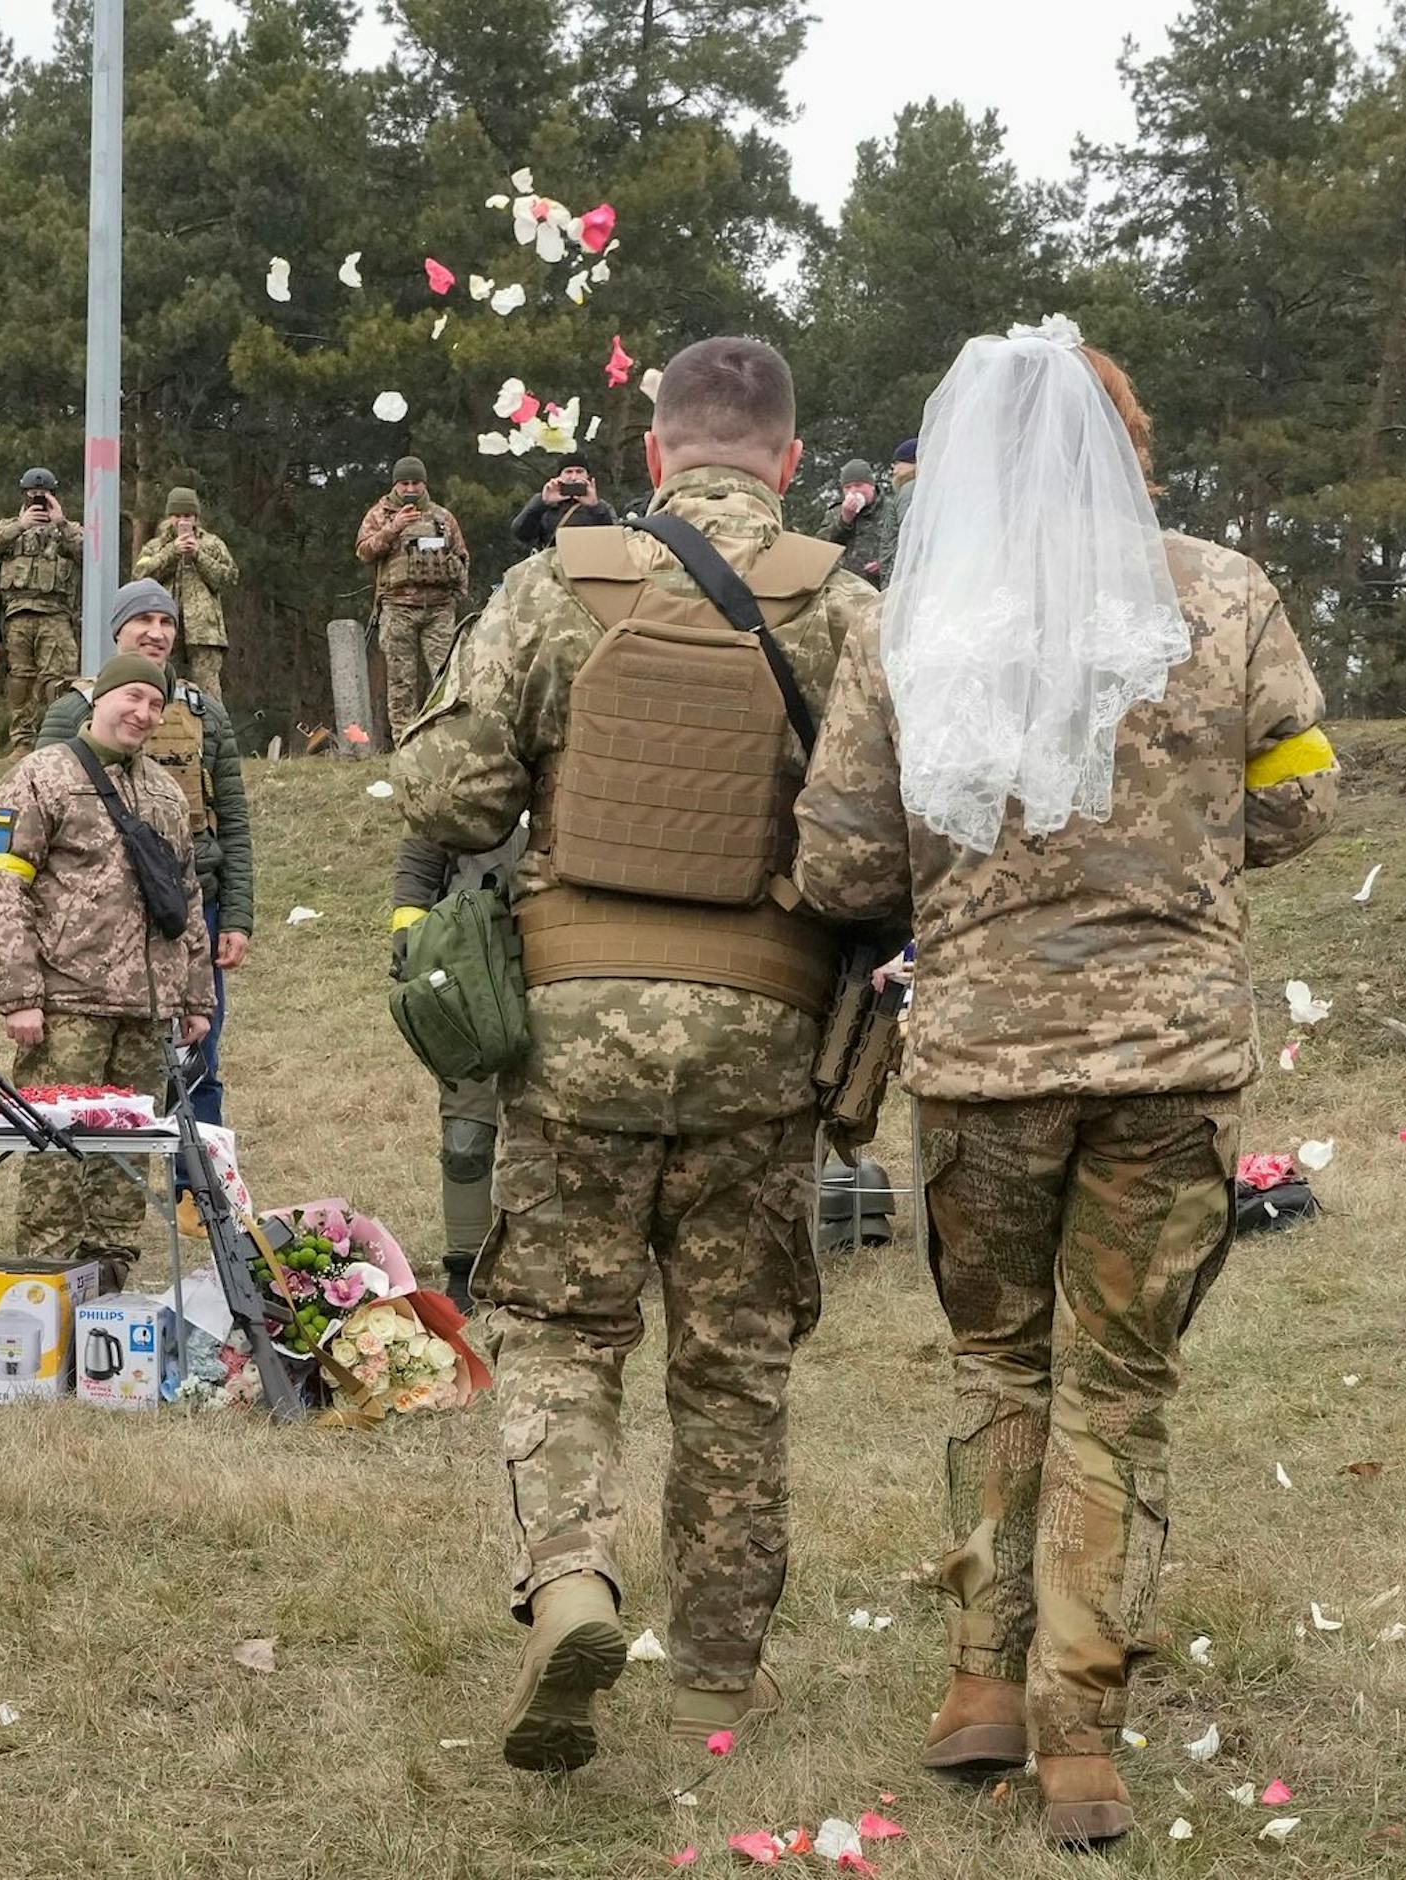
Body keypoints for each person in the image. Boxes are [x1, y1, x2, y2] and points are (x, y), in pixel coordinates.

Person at [792, 324, 1340, 1847]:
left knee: (1001, 1368)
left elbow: (838, 861)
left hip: (982, 1064)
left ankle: (981, 1686)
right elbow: (1303, 789)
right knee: (1119, 1386)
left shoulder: (908, 620)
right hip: (1170, 1057)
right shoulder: (1223, 592)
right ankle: (1081, 1740)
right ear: (1129, 443)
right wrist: (1198, 851)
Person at [394, 338, 879, 1770]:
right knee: (732, 1367)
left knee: (557, 1330)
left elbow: (450, 790)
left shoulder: (558, 584)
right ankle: (718, 1681)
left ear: (655, 451)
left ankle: (571, 1586)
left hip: (577, 1028)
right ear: (786, 463)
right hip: (763, 1036)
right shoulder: (850, 608)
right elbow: (880, 846)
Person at [0, 654, 215, 1289]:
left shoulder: (165, 792)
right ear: (98, 700)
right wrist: (20, 994)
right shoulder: (40, 777)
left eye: (155, 704)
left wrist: (196, 996)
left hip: (148, 1010)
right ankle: (46, 1290)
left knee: (124, 1162)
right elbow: (3, 888)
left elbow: (186, 895)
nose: (142, 713)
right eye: (132, 697)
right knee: (57, 1155)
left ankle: (110, 1286)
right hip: (67, 1005)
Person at [37, 579, 254, 1127]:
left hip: (188, 913)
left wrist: (237, 917)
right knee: (102, 1073)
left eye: (167, 623)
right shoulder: (69, 713)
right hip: (95, 922)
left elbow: (234, 823)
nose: (156, 633)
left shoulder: (206, 715)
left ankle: (194, 1195)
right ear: (118, 631)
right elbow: (39, 822)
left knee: (198, 1060)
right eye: (143, 622)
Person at [389, 827, 526, 1316]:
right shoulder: (477, 759)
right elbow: (426, 839)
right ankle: (466, 1266)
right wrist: (409, 928)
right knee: (466, 1138)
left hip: (569, 949)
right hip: (474, 951)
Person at [356, 456, 470, 742]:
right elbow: (363, 552)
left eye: (415, 483)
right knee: (401, 681)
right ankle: (405, 742)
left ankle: (445, 740)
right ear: (395, 484)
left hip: (439, 609)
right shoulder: (379, 514)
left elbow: (462, 557)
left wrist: (458, 594)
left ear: (424, 484)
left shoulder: (442, 517)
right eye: (404, 483)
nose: (410, 489)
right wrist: (393, 528)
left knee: (446, 678)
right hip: (397, 608)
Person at [0, 468, 83, 753]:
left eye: (44, 495)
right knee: (20, 679)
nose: (38, 500)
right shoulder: (11, 527)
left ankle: (61, 741)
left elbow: (90, 551)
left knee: (59, 681)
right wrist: (20, 525)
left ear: (54, 495)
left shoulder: (67, 531)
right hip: (17, 615)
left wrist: (60, 523)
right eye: (33, 494)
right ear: (24, 495)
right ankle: (22, 743)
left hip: (56, 615)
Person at [130, 488, 238, 702]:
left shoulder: (212, 544)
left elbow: (229, 578)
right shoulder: (155, 546)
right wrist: (172, 552)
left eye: (187, 516)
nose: (181, 521)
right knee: (162, 686)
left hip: (204, 633)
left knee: (209, 695)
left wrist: (198, 555)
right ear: (168, 517)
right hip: (163, 631)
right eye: (177, 516)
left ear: (196, 518)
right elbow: (140, 576)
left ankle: (211, 734)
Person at [509, 454, 619, 551]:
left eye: (579, 471)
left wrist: (595, 507)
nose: (574, 477)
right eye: (568, 472)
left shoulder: (601, 506)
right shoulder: (544, 504)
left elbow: (614, 539)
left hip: (589, 566)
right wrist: (541, 503)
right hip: (553, 568)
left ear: (587, 476)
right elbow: (521, 534)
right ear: (559, 476)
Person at [819, 457, 886, 585]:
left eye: (858, 485)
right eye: (847, 487)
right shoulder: (836, 512)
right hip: (845, 589)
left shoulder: (890, 509)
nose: (853, 491)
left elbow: (906, 546)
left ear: (871, 485)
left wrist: (885, 563)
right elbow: (821, 548)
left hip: (881, 588)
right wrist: (844, 521)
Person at [878, 437, 917, 586]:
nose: (894, 470)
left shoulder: (909, 490)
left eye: (898, 463)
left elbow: (907, 537)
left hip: (902, 580)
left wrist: (893, 583)